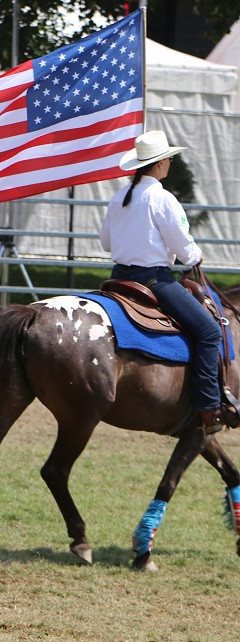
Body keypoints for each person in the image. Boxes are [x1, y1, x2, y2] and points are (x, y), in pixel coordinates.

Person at [99, 130, 237, 433]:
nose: (170, 163)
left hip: (118, 279)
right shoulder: (162, 198)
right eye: (169, 159)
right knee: (209, 331)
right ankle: (207, 405)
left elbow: (106, 243)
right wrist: (193, 258)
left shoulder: (119, 197)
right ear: (160, 164)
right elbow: (182, 244)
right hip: (154, 281)